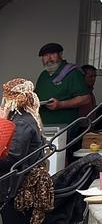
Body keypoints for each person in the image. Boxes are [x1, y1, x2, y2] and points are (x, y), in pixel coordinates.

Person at [1, 79, 53, 224]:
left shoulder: (20, 122)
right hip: (22, 184)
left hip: (21, 187)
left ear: (10, 100)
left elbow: (13, 158)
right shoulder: (27, 118)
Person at [34, 43, 90, 128]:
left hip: (65, 127)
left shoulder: (73, 73)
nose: (49, 58)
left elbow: (85, 99)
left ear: (60, 55)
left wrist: (61, 104)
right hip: (43, 126)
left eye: (52, 54)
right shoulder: (43, 75)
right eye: (45, 55)